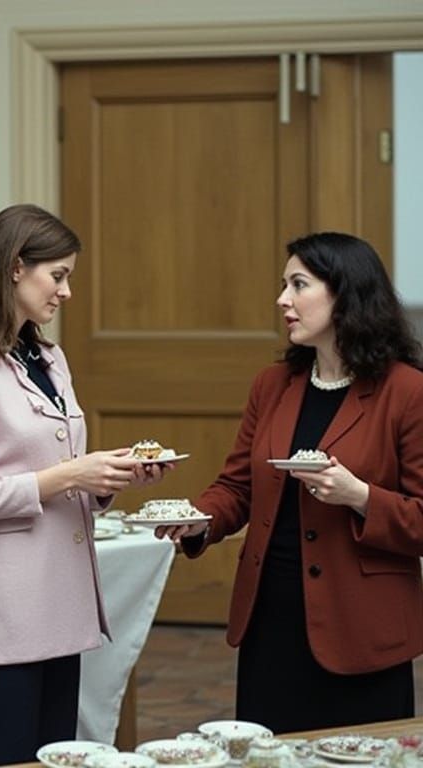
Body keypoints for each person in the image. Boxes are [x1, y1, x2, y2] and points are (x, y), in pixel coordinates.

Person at [0, 203, 168, 768]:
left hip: (58, 608)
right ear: (13, 267)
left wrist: (107, 476)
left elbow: (60, 465)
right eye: (57, 275)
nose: (66, 292)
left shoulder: (48, 356)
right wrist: (69, 475)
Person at [157, 232, 423, 733]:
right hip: (271, 619)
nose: (283, 300)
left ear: (345, 294)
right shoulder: (273, 384)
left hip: (360, 626)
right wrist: (196, 522)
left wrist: (359, 496)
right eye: (284, 285)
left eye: (299, 285)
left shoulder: (407, 391)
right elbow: (237, 487)